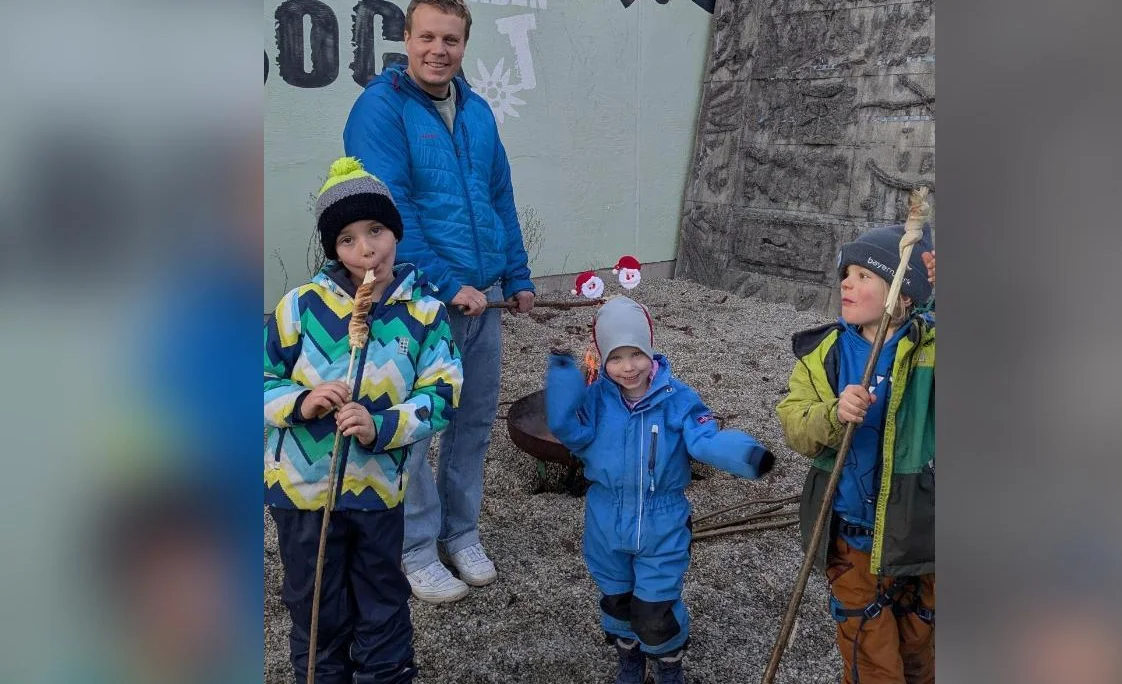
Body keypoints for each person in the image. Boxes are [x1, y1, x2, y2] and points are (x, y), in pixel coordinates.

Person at [343, 0, 535, 603]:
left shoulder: (476, 110)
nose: (438, 50)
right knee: (415, 429)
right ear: (406, 37)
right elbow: (389, 211)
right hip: (417, 304)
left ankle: (462, 531)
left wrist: (519, 275)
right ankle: (417, 546)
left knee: (473, 422)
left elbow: (499, 196)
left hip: (485, 299)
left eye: (450, 39)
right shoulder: (382, 108)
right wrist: (450, 286)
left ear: (463, 43)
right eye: (427, 36)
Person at [264, 157, 463, 683]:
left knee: (381, 597)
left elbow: (442, 393)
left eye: (375, 230)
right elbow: (256, 383)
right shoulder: (299, 307)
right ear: (333, 247)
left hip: (377, 489)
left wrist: (384, 425)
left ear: (395, 230)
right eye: (348, 238)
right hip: (305, 493)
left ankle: (386, 674)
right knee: (315, 604)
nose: (365, 248)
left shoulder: (425, 313)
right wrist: (301, 402)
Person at [545, 296, 775, 684]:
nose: (628, 367)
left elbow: (704, 439)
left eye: (636, 354)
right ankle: (629, 659)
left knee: (654, 611)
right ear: (602, 359)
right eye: (616, 357)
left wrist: (747, 456)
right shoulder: (597, 399)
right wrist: (564, 376)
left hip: (662, 521)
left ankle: (669, 666)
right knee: (618, 602)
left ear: (650, 349)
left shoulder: (677, 398)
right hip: (605, 520)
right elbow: (569, 429)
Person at [776, 226, 937, 684]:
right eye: (846, 273)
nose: (846, 283)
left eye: (864, 275)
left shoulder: (928, 348)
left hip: (919, 533)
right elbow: (793, 422)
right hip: (849, 537)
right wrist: (832, 414)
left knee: (920, 652)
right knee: (870, 660)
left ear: (902, 294)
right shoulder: (825, 351)